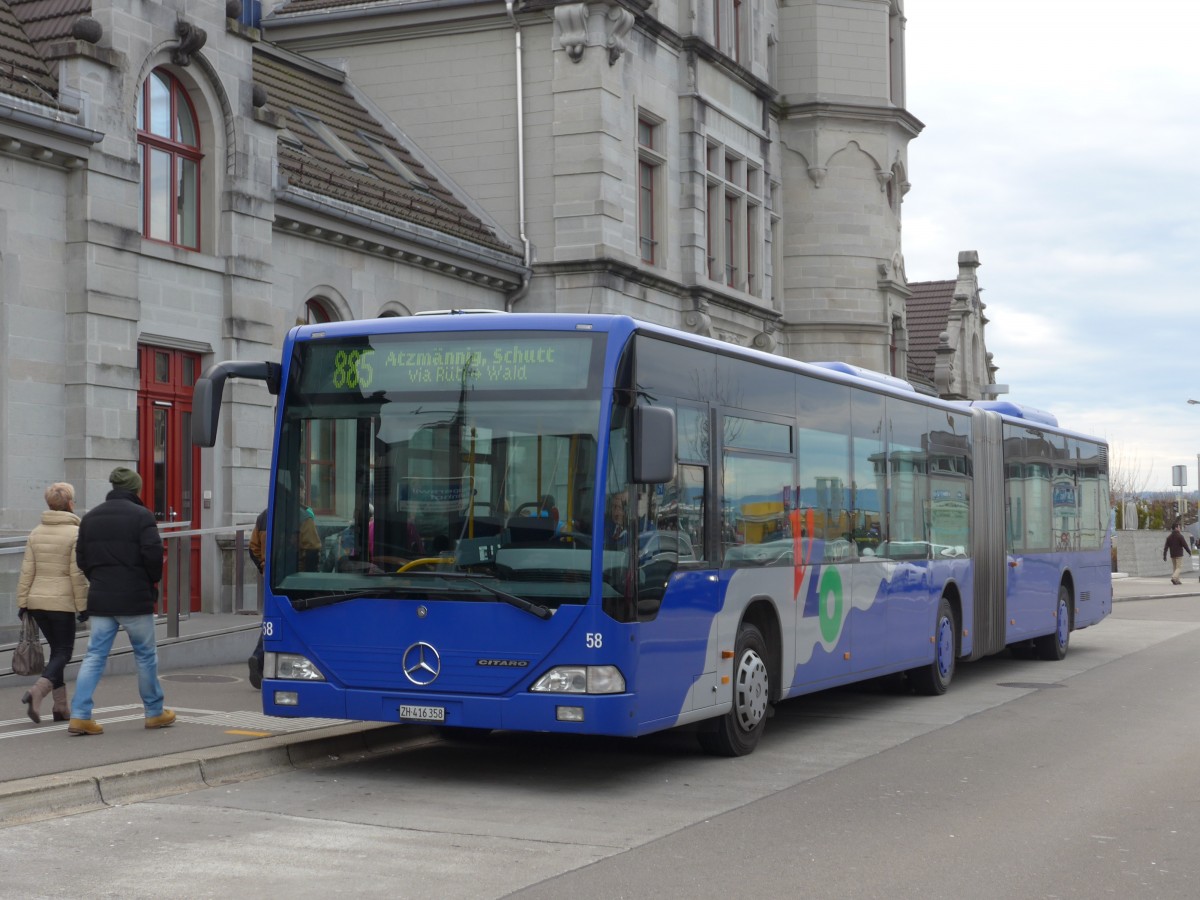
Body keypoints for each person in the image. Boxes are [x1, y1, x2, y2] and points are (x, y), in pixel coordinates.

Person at [68, 467, 175, 735]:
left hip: (102, 598)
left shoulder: (90, 518)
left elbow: (82, 559)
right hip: (134, 598)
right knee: (145, 656)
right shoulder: (142, 516)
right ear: (135, 489)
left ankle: (80, 715)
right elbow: (153, 556)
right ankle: (154, 712)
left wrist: (100, 578)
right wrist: (150, 582)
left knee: (94, 656)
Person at [16, 482, 89, 724]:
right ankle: (38, 692)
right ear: (70, 504)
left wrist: (23, 602)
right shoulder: (75, 533)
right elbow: (76, 574)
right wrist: (84, 606)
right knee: (64, 652)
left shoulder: (36, 532)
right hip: (61, 603)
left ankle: (60, 708)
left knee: (57, 651)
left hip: (37, 602)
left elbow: (27, 571)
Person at [247, 508, 267, 690]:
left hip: (270, 575)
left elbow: (252, 547)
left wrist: (263, 565)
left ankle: (259, 659)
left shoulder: (263, 516)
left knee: (270, 619)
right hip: (293, 577)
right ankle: (259, 657)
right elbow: (311, 548)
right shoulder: (300, 514)